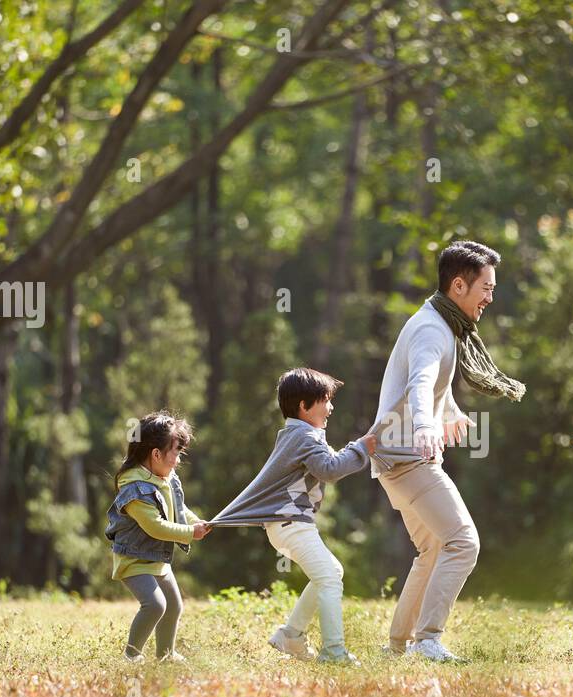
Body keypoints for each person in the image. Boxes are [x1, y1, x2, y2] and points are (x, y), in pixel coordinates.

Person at [369, 240, 526, 662]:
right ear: (459, 285)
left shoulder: (439, 322)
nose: (491, 298)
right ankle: (429, 639)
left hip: (392, 457)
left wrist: (450, 411)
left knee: (433, 549)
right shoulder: (431, 330)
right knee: (464, 542)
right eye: (486, 289)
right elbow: (419, 382)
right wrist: (424, 425)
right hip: (408, 457)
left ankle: (399, 645)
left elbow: (433, 382)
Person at [208, 368, 377, 664]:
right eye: (325, 400)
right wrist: (359, 449)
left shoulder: (299, 435)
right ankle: (333, 651)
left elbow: (327, 462)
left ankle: (291, 636)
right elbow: (330, 469)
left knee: (331, 573)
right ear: (303, 405)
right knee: (329, 579)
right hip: (291, 525)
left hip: (289, 526)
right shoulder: (304, 437)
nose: (331, 407)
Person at [104, 411, 210, 662]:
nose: (178, 460)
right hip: (134, 560)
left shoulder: (165, 477)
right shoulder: (135, 489)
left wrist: (195, 522)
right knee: (155, 606)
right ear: (155, 454)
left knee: (173, 606)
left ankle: (165, 655)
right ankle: (132, 656)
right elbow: (155, 526)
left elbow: (178, 508)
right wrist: (189, 533)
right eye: (176, 452)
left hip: (156, 558)